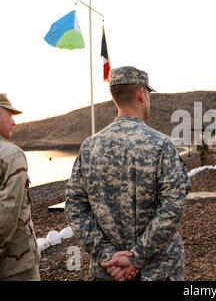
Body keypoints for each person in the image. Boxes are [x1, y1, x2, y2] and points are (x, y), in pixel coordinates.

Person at [65, 66, 191, 281]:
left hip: (108, 272)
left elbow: (75, 207)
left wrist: (107, 255)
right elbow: (173, 206)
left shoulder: (89, 147)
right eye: (148, 94)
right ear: (142, 93)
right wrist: (137, 257)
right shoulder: (161, 145)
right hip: (158, 271)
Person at [0, 94, 40, 281]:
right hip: (15, 266)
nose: (14, 122)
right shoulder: (11, 155)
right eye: (9, 115)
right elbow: (6, 217)